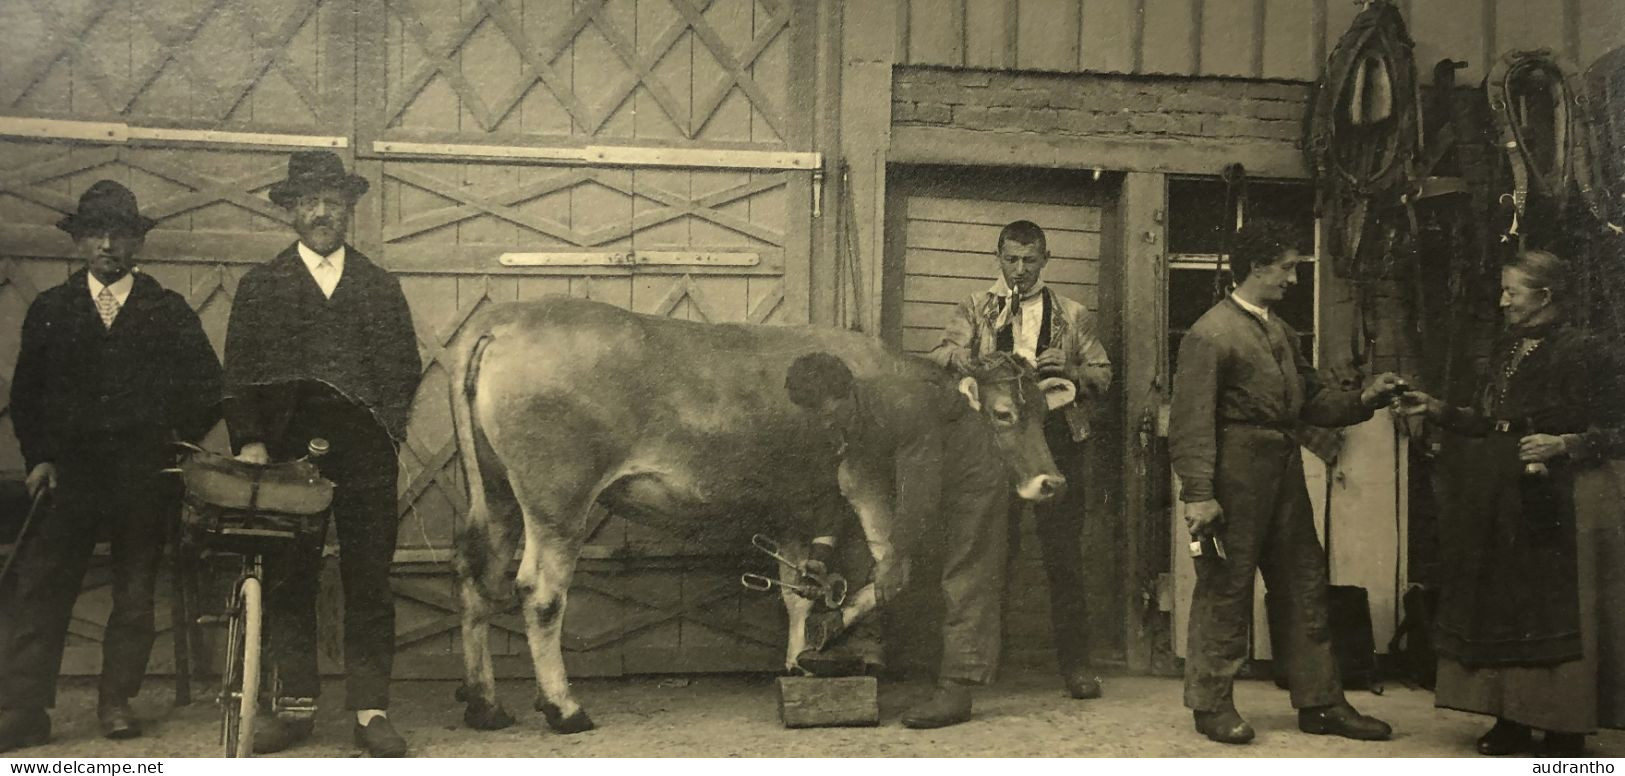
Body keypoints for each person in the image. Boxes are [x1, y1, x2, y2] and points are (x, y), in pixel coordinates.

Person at [0, 181, 221, 752]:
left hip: (141, 474)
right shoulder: (51, 310)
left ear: (135, 244)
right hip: (68, 475)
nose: (106, 245)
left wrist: (172, 445)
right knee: (43, 587)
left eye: (118, 234)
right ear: (78, 243)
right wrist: (41, 456)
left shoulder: (165, 309)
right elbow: (27, 394)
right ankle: (26, 708)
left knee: (134, 591)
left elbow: (207, 387)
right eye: (95, 234)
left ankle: (116, 699)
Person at [1168, 218, 1402, 745]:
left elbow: (1312, 401)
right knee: (1225, 589)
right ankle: (1211, 705)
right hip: (1232, 474)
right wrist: (1200, 494)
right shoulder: (1210, 334)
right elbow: (1190, 422)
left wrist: (1366, 398)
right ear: (1257, 267)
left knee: (1303, 583)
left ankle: (1320, 701)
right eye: (1288, 267)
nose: (1293, 279)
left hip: (1282, 471)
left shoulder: (1279, 329)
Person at [223, 151, 421, 757]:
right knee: (289, 578)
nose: (321, 212)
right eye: (308, 201)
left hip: (363, 457)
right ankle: (295, 707)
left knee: (369, 581)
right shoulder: (262, 287)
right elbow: (239, 373)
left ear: (350, 209)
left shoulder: (379, 287)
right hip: (285, 459)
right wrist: (252, 440)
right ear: (290, 210)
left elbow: (402, 371)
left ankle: (370, 711)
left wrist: (382, 433)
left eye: (333, 201)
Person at [1398, 250, 1625, 756]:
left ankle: (1566, 729)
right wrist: (1438, 409)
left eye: (1512, 292)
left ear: (1546, 296)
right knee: (1506, 604)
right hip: (1505, 496)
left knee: (1555, 613)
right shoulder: (1508, 348)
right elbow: (1493, 423)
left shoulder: (1590, 351)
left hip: (1564, 500)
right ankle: (1513, 720)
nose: (1502, 302)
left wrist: (1566, 445)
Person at [928, 220, 1112, 699]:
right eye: (1011, 259)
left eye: (1030, 261)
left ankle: (1077, 667)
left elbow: (1103, 374)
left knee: (1064, 559)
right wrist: (970, 362)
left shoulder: (1072, 314)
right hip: (994, 444)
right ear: (999, 256)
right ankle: (986, 665)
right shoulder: (974, 306)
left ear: (1046, 259)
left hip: (1056, 437)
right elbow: (941, 353)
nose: (1020, 270)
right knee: (989, 554)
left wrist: (1069, 369)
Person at [785, 352, 1008, 729]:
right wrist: (821, 553)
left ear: (849, 393)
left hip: (972, 477)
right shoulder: (833, 420)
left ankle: (957, 689)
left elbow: (917, 491)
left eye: (829, 413)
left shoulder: (900, 405)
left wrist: (894, 557)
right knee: (880, 557)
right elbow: (837, 485)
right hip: (923, 482)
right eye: (817, 416)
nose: (824, 423)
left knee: (964, 575)